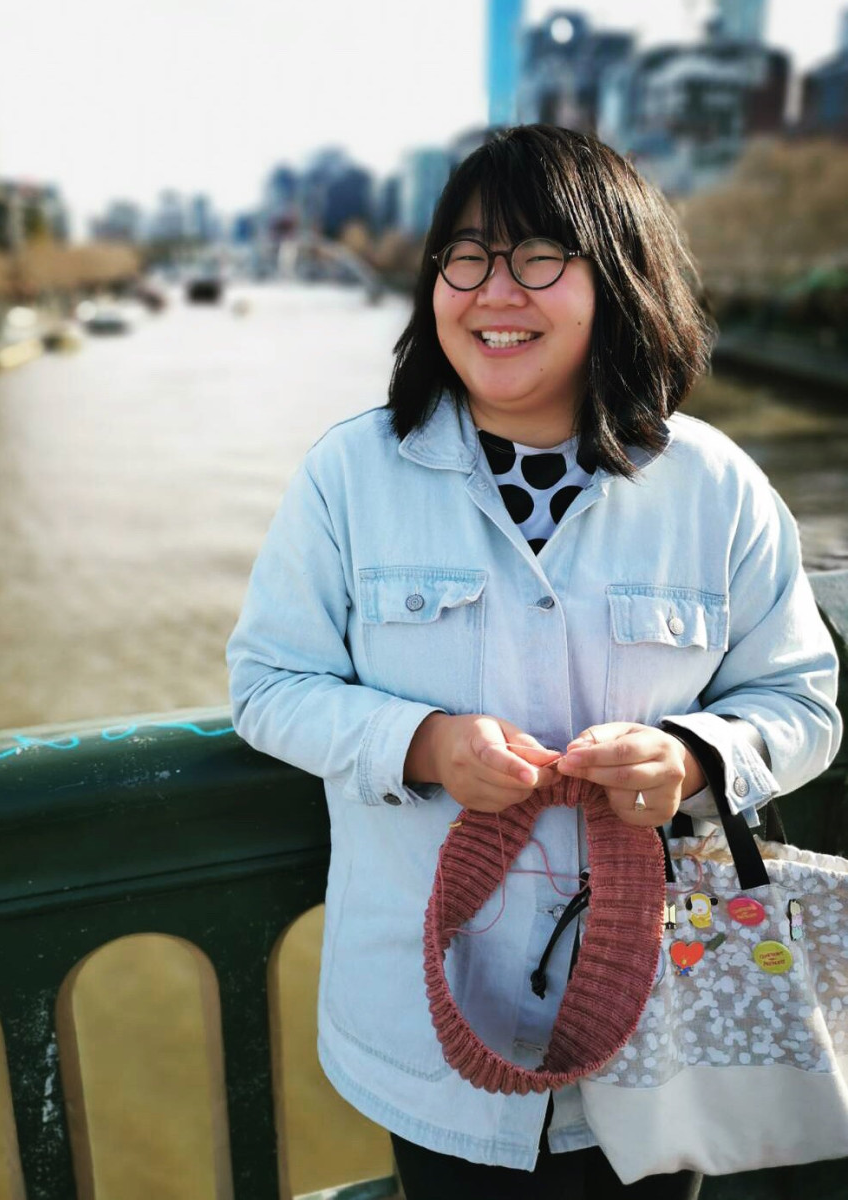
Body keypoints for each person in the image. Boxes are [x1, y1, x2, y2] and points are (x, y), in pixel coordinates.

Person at [226, 125, 841, 1199]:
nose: (492, 292)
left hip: (658, 1019)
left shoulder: (715, 488)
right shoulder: (350, 475)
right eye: (465, 257)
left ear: (619, 278)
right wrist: (420, 745)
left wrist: (691, 757)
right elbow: (267, 684)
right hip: (432, 1028)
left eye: (538, 256)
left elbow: (800, 701)